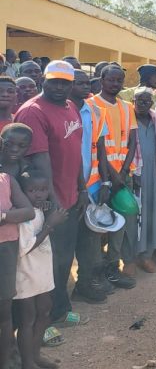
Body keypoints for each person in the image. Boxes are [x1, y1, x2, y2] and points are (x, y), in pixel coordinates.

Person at [15, 60, 88, 326]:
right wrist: (54, 205)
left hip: (69, 198)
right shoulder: (33, 111)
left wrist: (81, 188)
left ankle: (60, 308)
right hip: (46, 204)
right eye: (53, 81)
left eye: (64, 82)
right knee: (43, 265)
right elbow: (41, 162)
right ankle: (39, 325)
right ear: (43, 80)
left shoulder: (71, 108)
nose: (58, 87)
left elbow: (76, 152)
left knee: (64, 259)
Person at [89, 65, 138, 288]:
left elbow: (133, 141)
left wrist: (125, 172)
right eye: (111, 80)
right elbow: (98, 146)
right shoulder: (91, 105)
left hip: (122, 178)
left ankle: (112, 267)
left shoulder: (127, 107)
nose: (116, 84)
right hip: (99, 178)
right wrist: (112, 175)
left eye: (120, 80)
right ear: (102, 80)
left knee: (119, 225)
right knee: (97, 227)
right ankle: (93, 272)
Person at [15, 170, 67, 369]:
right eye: (33, 190)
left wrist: (47, 216)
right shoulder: (23, 214)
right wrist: (49, 225)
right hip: (26, 274)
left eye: (44, 190)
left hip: (42, 272)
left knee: (44, 312)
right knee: (27, 319)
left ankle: (35, 355)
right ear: (22, 192)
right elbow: (25, 248)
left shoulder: (39, 210)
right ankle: (27, 362)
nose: (39, 194)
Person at [68, 70, 112, 302]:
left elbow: (101, 149)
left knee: (91, 240)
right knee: (66, 243)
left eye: (87, 83)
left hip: (92, 185)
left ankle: (85, 285)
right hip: (67, 188)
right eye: (79, 83)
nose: (86, 87)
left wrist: (105, 180)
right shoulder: (62, 111)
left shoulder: (96, 111)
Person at [0, 162, 34, 369]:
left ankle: (6, 362)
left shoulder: (6, 180)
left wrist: (3, 216)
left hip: (5, 250)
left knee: (4, 312)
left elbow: (28, 212)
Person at [133, 88, 156, 273]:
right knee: (137, 213)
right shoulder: (128, 119)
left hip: (155, 172)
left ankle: (148, 253)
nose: (143, 104)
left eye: (147, 101)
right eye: (139, 100)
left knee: (152, 211)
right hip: (135, 172)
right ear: (133, 100)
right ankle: (135, 254)